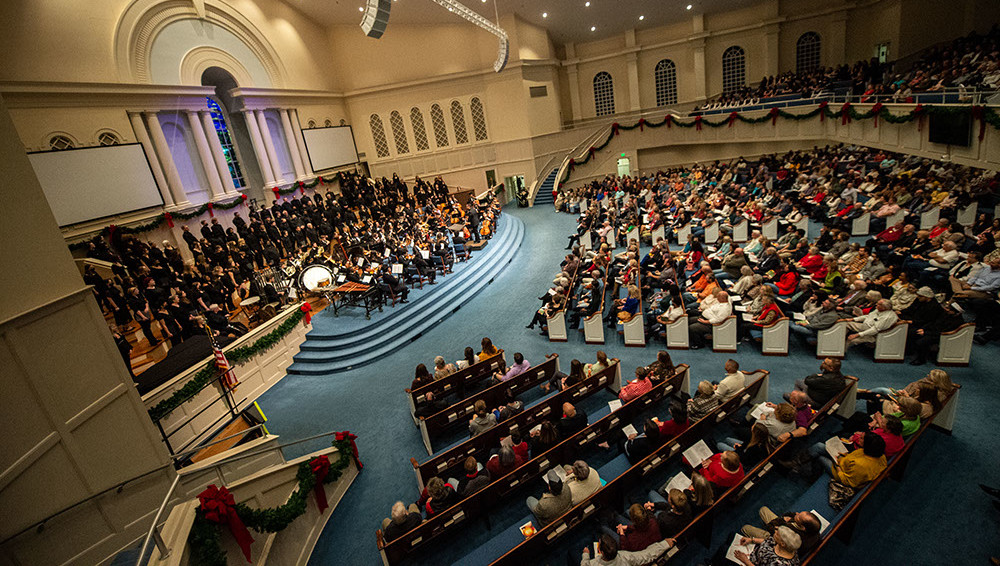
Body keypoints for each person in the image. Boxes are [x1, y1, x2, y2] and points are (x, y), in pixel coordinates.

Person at [811, 432, 887, 488]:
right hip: (844, 462)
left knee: (820, 457)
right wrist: (843, 455)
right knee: (819, 446)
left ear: (867, 444)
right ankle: (803, 461)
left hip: (840, 472)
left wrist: (837, 467)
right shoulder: (878, 454)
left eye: (861, 438)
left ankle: (811, 476)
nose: (858, 437)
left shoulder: (862, 466)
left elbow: (847, 481)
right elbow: (852, 457)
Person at [740, 508, 822, 557]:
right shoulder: (814, 531)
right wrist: (788, 518)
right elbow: (791, 514)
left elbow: (770, 528)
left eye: (799, 516)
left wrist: (782, 520)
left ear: (803, 527)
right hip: (781, 529)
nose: (797, 513)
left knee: (745, 528)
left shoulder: (791, 534)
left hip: (777, 538)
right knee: (763, 510)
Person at [577, 534, 674, 566]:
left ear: (601, 552)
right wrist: (664, 544)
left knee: (573, 554)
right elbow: (646, 555)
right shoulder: (625, 557)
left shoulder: (594, 564)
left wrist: (585, 555)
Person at [733, 525, 803, 566]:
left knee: (724, 550)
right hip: (754, 551)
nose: (774, 533)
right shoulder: (787, 545)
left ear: (782, 544)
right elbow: (768, 541)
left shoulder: (779, 563)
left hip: (750, 562)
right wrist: (751, 540)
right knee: (732, 536)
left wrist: (745, 561)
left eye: (777, 534)